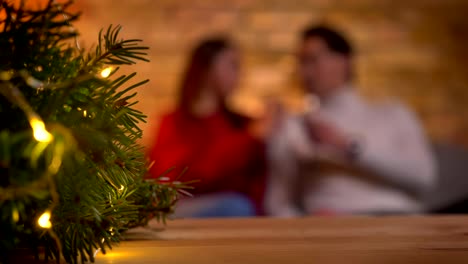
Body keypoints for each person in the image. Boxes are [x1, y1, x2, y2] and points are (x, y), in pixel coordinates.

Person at [265, 25, 437, 217]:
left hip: (400, 220)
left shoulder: (394, 114)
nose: (304, 71)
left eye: (312, 60)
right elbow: (279, 203)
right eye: (300, 62)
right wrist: (306, 231)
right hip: (332, 229)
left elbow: (424, 178)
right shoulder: (294, 125)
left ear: (344, 61)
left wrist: (347, 146)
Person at [147, 37, 266, 217]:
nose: (240, 75)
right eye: (233, 65)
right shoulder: (174, 123)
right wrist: (250, 139)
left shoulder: (240, 122)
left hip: (237, 211)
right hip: (183, 208)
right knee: (237, 206)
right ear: (207, 70)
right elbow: (179, 178)